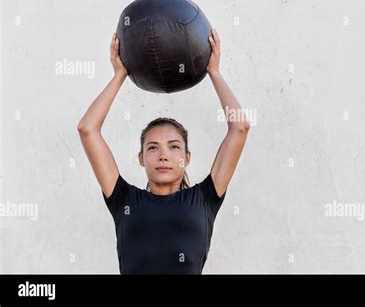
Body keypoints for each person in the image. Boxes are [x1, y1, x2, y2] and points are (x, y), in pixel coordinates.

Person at [77, 29, 250, 274]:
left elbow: (240, 127)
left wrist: (214, 72)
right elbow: (87, 129)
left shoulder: (205, 199)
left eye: (174, 147)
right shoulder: (123, 199)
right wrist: (120, 75)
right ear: (141, 158)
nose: (164, 155)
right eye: (152, 147)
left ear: (186, 158)